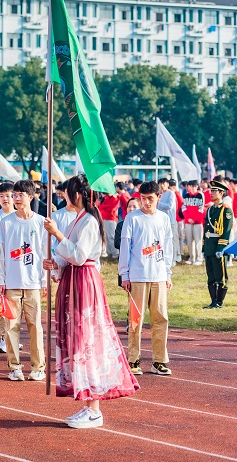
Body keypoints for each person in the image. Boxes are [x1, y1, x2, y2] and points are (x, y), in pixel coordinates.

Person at [43, 175, 139, 429]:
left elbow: (79, 255)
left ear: (78, 195)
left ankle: (94, 407)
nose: (63, 196)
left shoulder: (89, 221)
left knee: (86, 339)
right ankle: (87, 403)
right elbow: (68, 256)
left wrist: (57, 235)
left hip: (84, 281)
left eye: (67, 192)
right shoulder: (78, 220)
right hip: (73, 279)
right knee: (76, 339)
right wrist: (55, 264)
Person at [118, 181, 174, 377]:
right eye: (143, 199)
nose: (147, 202)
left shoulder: (164, 219)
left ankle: (159, 361)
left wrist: (168, 273)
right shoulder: (132, 219)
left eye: (150, 198)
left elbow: (168, 247)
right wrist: (124, 274)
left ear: (159, 197)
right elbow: (125, 248)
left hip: (158, 276)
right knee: (135, 320)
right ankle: (133, 359)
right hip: (138, 276)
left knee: (160, 318)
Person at [0, 180, 48, 382]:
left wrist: (44, 280)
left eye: (20, 195)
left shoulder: (40, 222)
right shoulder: (6, 222)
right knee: (11, 327)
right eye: (14, 195)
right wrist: (1, 278)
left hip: (33, 283)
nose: (16, 199)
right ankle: (14, 366)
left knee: (35, 325)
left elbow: (45, 253)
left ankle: (38, 366)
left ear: (31, 197)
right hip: (11, 283)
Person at [0, 182, 15, 354]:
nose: (5, 199)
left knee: (16, 307)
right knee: (3, 305)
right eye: (2, 196)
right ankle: (3, 338)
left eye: (8, 195)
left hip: (16, 267)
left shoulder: (20, 216)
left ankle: (12, 337)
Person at [203, 180, 233, 309]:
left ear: (221, 193)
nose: (212, 193)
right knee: (211, 275)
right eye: (211, 191)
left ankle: (219, 301)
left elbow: (226, 231)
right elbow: (206, 229)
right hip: (209, 245)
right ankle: (213, 300)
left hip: (218, 246)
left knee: (220, 276)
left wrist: (221, 247)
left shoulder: (225, 210)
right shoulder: (210, 210)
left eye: (215, 191)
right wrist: (205, 246)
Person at [181, 180, 205, 266]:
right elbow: (183, 208)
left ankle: (199, 258)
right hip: (188, 222)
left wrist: (195, 219)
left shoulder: (200, 195)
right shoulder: (186, 195)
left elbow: (201, 209)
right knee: (189, 240)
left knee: (198, 240)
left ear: (195, 186)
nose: (188, 188)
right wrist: (188, 218)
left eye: (189, 186)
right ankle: (191, 257)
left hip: (198, 222)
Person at [157, 178, 177, 267]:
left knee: (171, 241)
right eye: (160, 183)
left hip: (170, 220)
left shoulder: (171, 193)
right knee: (162, 241)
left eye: (163, 183)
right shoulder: (160, 194)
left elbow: (169, 206)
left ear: (167, 184)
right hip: (161, 221)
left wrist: (158, 203)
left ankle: (174, 259)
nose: (162, 185)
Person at [99, 192, 120, 257]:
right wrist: (105, 208)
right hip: (105, 218)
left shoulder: (116, 198)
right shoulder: (107, 198)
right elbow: (101, 207)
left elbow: (111, 210)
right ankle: (109, 251)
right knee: (106, 236)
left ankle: (115, 253)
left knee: (112, 236)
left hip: (111, 219)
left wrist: (103, 209)